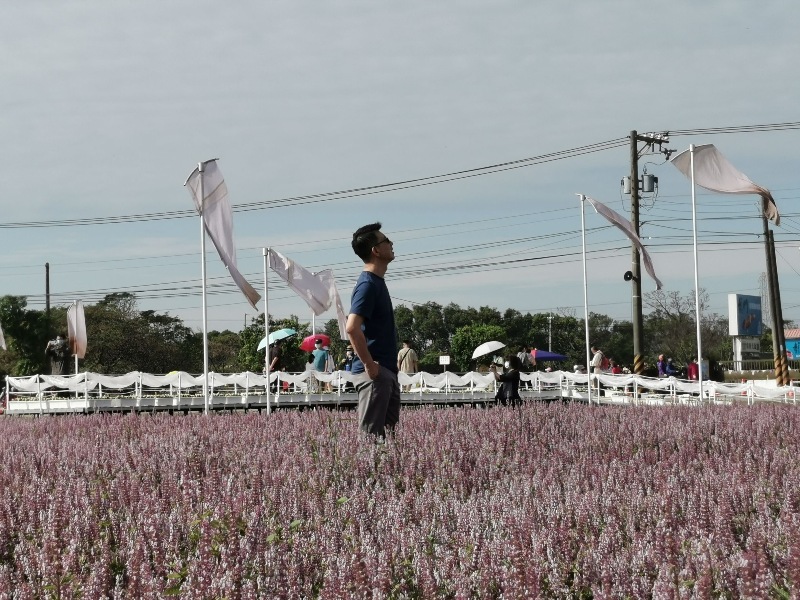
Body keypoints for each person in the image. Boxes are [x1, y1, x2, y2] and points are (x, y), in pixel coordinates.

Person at [345, 222, 400, 439]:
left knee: (388, 440)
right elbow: (352, 327)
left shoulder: (377, 282)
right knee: (371, 440)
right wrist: (370, 365)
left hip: (385, 371)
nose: (391, 243)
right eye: (386, 240)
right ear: (375, 250)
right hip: (375, 374)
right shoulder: (367, 285)